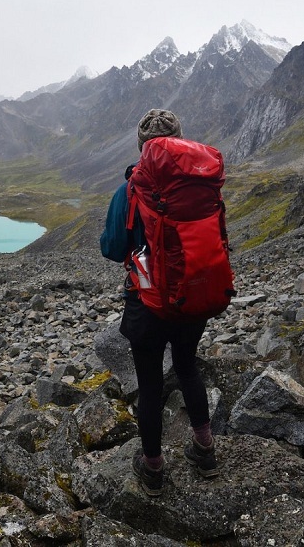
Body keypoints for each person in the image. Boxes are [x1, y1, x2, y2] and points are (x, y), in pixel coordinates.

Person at [100, 109, 219, 497]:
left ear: (140, 146)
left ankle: (152, 470)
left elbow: (113, 247)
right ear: (181, 140)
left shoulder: (130, 189)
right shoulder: (199, 185)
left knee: (150, 385)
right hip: (192, 295)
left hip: (146, 302)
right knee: (187, 367)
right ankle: (205, 451)